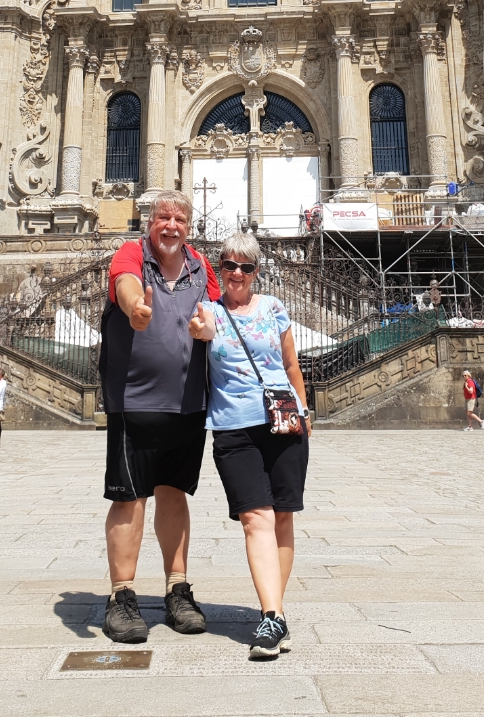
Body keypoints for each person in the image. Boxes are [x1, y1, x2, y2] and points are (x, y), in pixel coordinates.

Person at [98, 191, 221, 644]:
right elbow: (126, 283)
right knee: (129, 498)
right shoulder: (133, 254)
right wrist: (135, 309)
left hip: (188, 404)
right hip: (135, 404)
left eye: (180, 218)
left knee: (174, 495)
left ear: (189, 225)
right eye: (163, 217)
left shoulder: (201, 266)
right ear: (150, 223)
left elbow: (216, 316)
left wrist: (208, 327)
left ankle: (177, 589)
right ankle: (122, 596)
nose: (171, 225)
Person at [188, 231, 310, 660]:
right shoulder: (209, 312)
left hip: (283, 421)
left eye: (246, 267)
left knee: (282, 518)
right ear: (219, 269)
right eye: (229, 265)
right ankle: (273, 614)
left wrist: (305, 412)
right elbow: (196, 333)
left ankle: (272, 615)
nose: (236, 274)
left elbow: (291, 364)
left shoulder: (275, 308)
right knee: (254, 518)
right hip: (233, 428)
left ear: (257, 271)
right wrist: (198, 331)